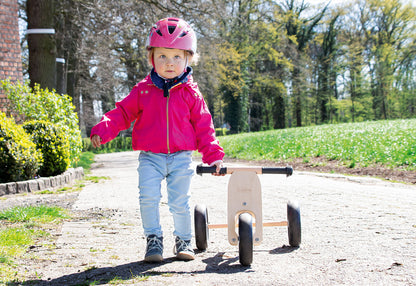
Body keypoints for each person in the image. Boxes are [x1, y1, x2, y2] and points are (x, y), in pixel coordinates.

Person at [90, 17, 224, 263]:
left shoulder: (191, 94)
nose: (169, 63)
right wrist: (104, 128)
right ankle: (154, 239)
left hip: (181, 157)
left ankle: (183, 240)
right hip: (150, 157)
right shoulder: (142, 90)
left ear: (188, 59)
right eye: (162, 56)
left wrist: (213, 156)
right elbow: (122, 113)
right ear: (152, 58)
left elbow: (205, 126)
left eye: (176, 57)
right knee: (148, 198)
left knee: (179, 201)